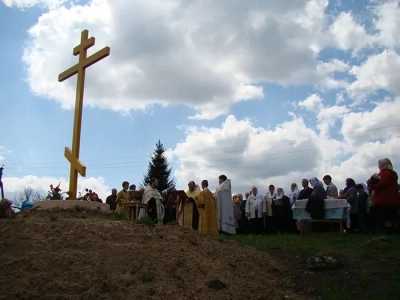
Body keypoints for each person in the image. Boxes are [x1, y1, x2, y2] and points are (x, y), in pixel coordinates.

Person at [368, 158, 400, 234]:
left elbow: (380, 185)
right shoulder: (393, 173)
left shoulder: (384, 173)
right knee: (394, 217)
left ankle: (389, 232)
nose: (378, 166)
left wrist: (371, 183)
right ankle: (396, 231)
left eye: (379, 164)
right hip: (394, 199)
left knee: (386, 217)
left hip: (384, 200)